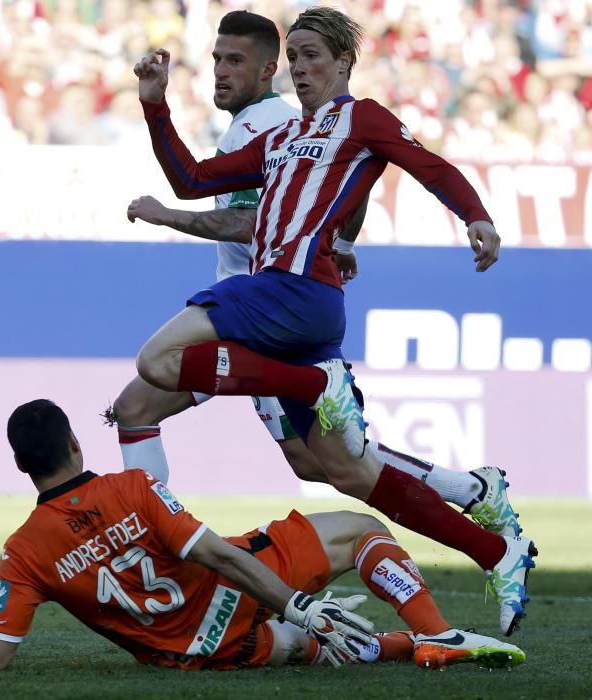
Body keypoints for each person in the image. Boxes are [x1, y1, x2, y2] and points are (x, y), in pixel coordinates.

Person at [129, 6, 534, 636]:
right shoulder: (282, 140)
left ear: (344, 61)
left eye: (313, 55)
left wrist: (475, 216)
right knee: (346, 471)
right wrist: (156, 106)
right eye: (295, 58)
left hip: (287, 292)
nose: (301, 68)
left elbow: (430, 166)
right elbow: (192, 180)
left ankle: (317, 387)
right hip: (298, 310)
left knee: (153, 362)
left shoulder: (361, 117)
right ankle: (495, 550)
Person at [0, 400, 525, 672]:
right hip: (233, 597)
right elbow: (213, 555)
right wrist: (298, 601)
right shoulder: (131, 488)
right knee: (363, 531)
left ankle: (396, 649)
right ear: (76, 443)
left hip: (192, 656)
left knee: (302, 647)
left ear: (22, 467)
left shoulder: (22, 553)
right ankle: (435, 634)